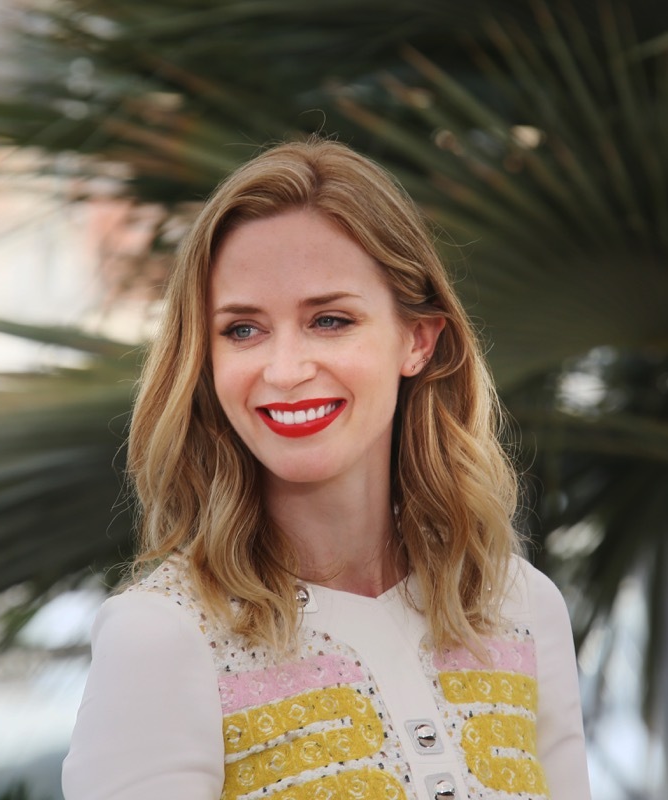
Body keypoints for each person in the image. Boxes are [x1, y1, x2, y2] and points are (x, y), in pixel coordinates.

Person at [62, 139, 591, 800]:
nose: (285, 371)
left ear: (416, 339)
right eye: (243, 330)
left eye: (330, 320)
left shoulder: (522, 608)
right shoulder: (163, 638)